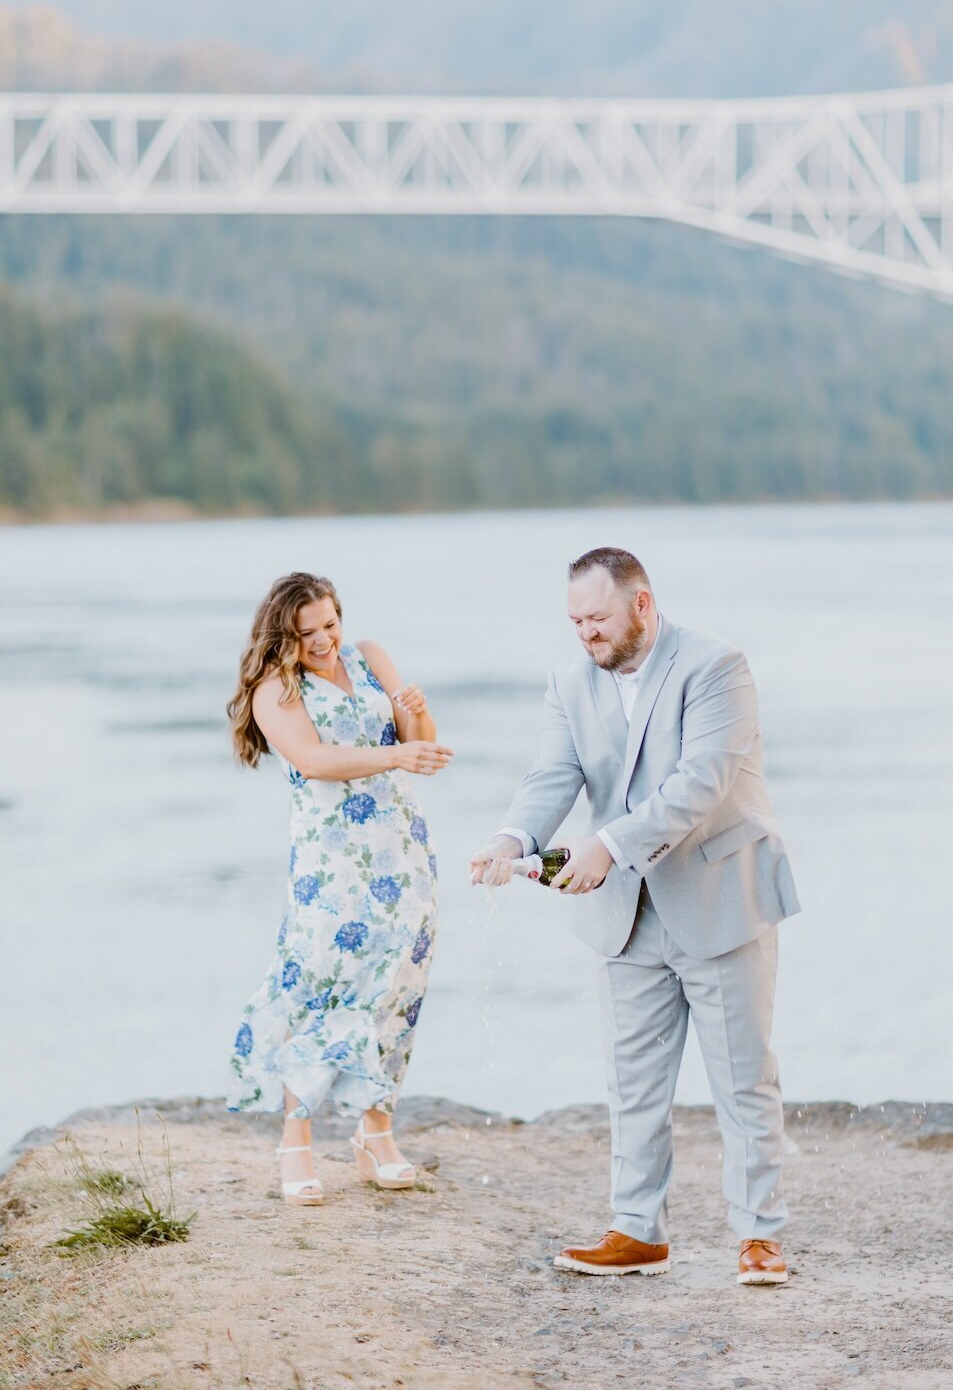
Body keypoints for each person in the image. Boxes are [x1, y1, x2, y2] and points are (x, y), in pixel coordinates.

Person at [470, 547, 799, 1284]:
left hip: (721, 895)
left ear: (642, 605)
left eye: (597, 617)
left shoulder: (717, 666)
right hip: (622, 913)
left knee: (743, 1078)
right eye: (575, 621)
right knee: (634, 1081)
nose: (585, 633)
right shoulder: (568, 684)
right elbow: (554, 774)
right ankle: (637, 1231)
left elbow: (700, 783)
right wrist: (512, 838)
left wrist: (607, 844)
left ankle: (759, 1236)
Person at [226, 571, 452, 1204]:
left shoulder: (371, 657)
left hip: (403, 852)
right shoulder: (277, 687)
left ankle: (376, 1133)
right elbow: (314, 760)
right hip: (332, 866)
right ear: (282, 635)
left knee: (399, 987)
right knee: (321, 984)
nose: (324, 640)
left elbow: (419, 746)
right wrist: (397, 756)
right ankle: (294, 1142)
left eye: (331, 624)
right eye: (307, 632)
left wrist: (417, 716)